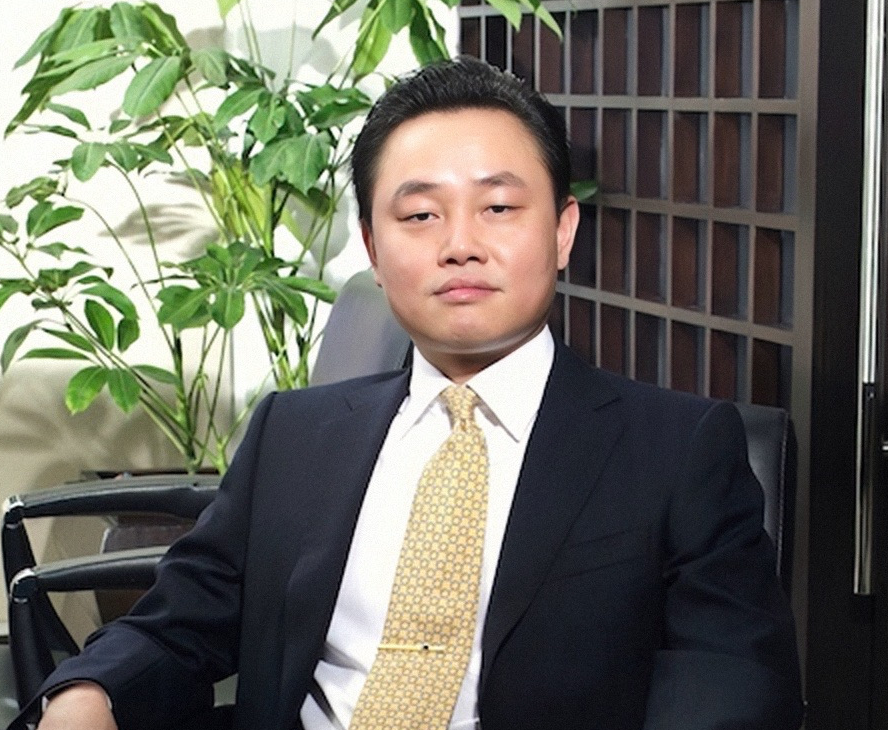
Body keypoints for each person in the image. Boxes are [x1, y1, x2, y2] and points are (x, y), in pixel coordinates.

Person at [18, 56, 803, 730]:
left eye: (499, 208)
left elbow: (732, 686)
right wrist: (88, 692)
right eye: (420, 214)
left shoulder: (676, 450)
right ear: (372, 244)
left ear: (562, 230)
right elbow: (178, 623)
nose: (460, 245)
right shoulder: (295, 432)